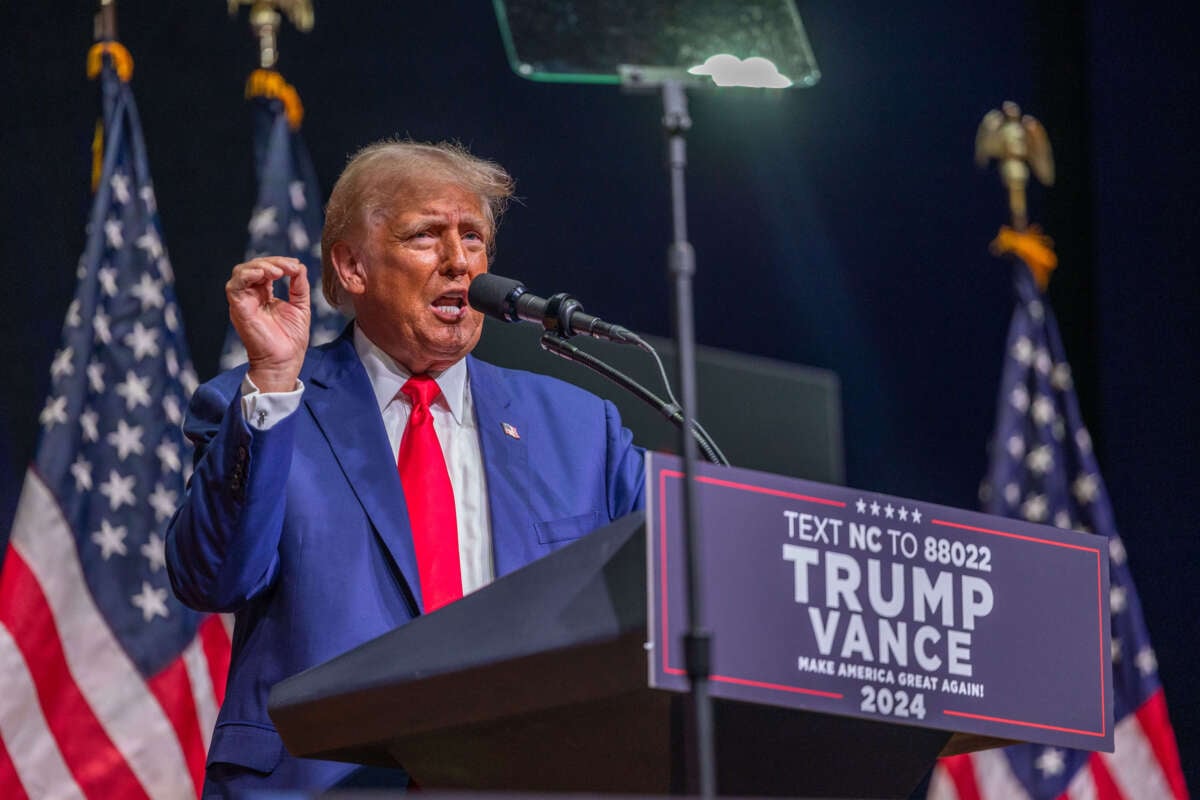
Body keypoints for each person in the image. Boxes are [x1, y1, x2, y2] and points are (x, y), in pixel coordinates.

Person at [166, 140, 646, 797]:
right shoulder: (262, 405)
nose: (458, 261)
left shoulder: (581, 429)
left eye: (473, 237)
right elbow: (212, 578)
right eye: (426, 235)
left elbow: (679, 573)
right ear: (352, 265)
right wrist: (274, 381)